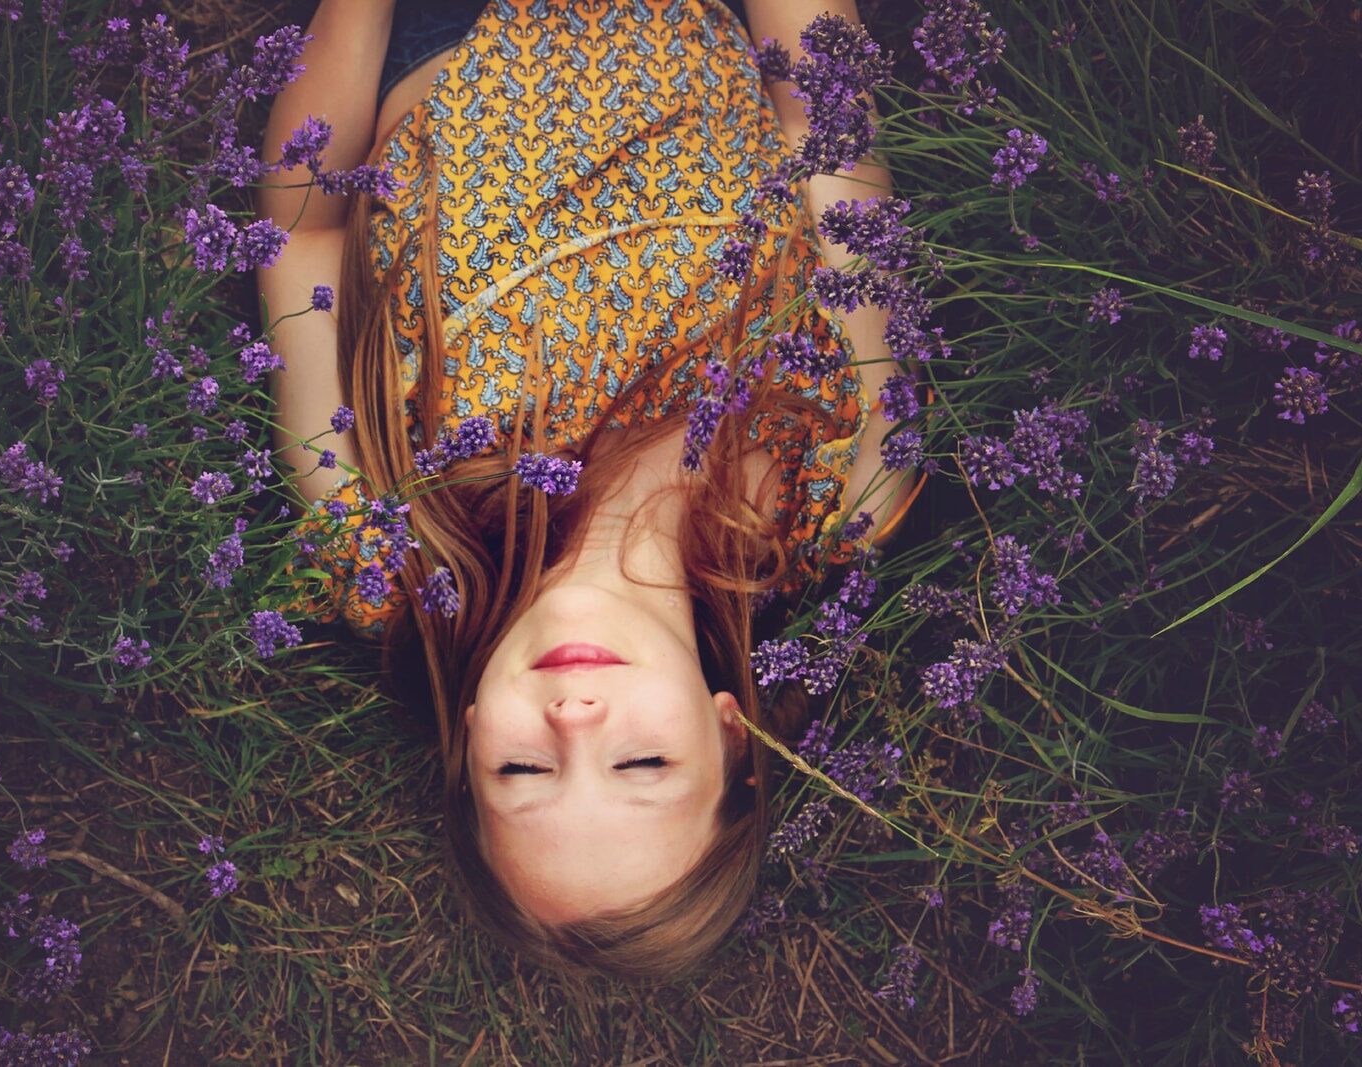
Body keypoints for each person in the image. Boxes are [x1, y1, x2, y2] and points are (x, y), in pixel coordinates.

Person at [256, 0, 927, 982]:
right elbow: (825, 133)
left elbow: (300, 238)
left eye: (523, 771)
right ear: (729, 731)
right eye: (641, 765)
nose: (574, 719)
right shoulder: (841, 490)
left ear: (468, 743)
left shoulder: (383, 557)